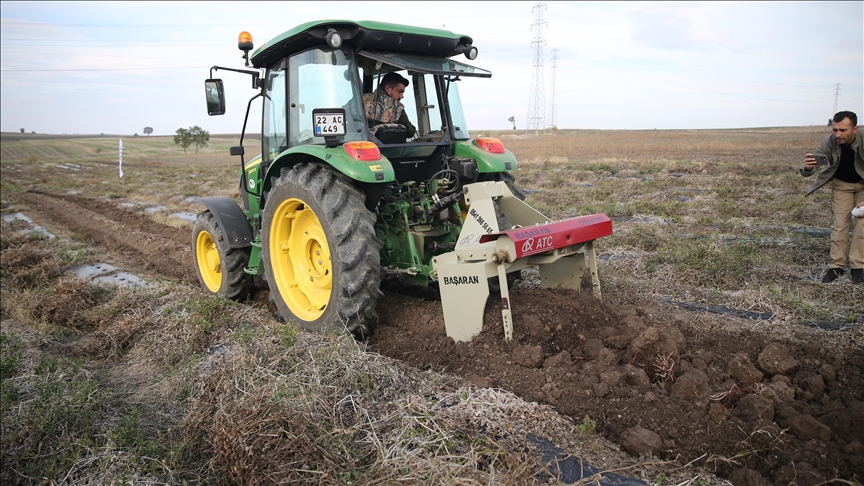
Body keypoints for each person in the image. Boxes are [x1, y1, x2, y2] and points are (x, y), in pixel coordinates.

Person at [800, 110, 864, 283]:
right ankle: (836, 267)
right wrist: (808, 168)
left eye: (843, 130)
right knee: (839, 224)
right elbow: (810, 168)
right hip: (842, 184)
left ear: (855, 128)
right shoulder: (830, 141)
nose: (838, 134)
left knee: (862, 223)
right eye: (835, 130)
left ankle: (858, 267)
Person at [363, 71, 417, 139]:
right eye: (399, 91)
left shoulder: (360, 99)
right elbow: (410, 132)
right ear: (388, 88)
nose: (402, 96)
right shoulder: (396, 108)